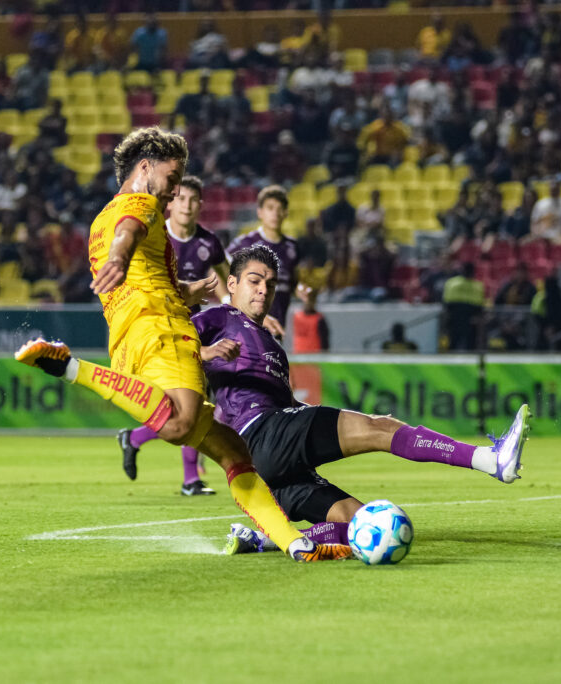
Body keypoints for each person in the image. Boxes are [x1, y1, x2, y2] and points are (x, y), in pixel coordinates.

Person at [14, 127, 350, 562]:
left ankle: (297, 543)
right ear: (145, 167)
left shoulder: (100, 219)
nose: (173, 192)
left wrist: (189, 291)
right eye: (172, 179)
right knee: (178, 423)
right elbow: (129, 233)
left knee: (234, 450)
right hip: (162, 330)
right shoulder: (141, 203)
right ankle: (70, 368)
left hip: (129, 338)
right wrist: (120, 255)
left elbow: (143, 264)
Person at [187, 245, 528, 554]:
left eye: (271, 283)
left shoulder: (271, 343)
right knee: (380, 429)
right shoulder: (220, 317)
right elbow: (170, 343)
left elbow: (286, 404)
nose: (264, 289)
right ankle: (490, 460)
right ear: (231, 284)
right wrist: (204, 350)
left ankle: (262, 540)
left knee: (359, 524)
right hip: (260, 436)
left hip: (271, 464)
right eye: (254, 281)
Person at [116, 175, 230, 497]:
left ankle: (173, 466)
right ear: (172, 202)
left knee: (192, 403)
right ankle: (141, 442)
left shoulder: (209, 243)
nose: (187, 205)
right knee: (185, 404)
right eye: (181, 199)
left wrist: (228, 309)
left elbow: (224, 281)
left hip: (197, 331)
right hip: (161, 329)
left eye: (194, 200)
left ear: (200, 205)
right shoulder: (155, 235)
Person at [226, 185, 300, 339]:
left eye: (279, 208)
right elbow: (220, 270)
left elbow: (292, 282)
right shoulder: (245, 243)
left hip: (277, 327)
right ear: (260, 212)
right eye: (270, 208)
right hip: (247, 327)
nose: (275, 213)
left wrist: (300, 290)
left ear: (286, 213)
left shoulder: (292, 247)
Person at [292, 283, 328, 353]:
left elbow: (325, 342)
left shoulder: (319, 319)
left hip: (314, 357)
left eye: (311, 299)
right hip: (298, 356)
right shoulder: (296, 316)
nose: (309, 302)